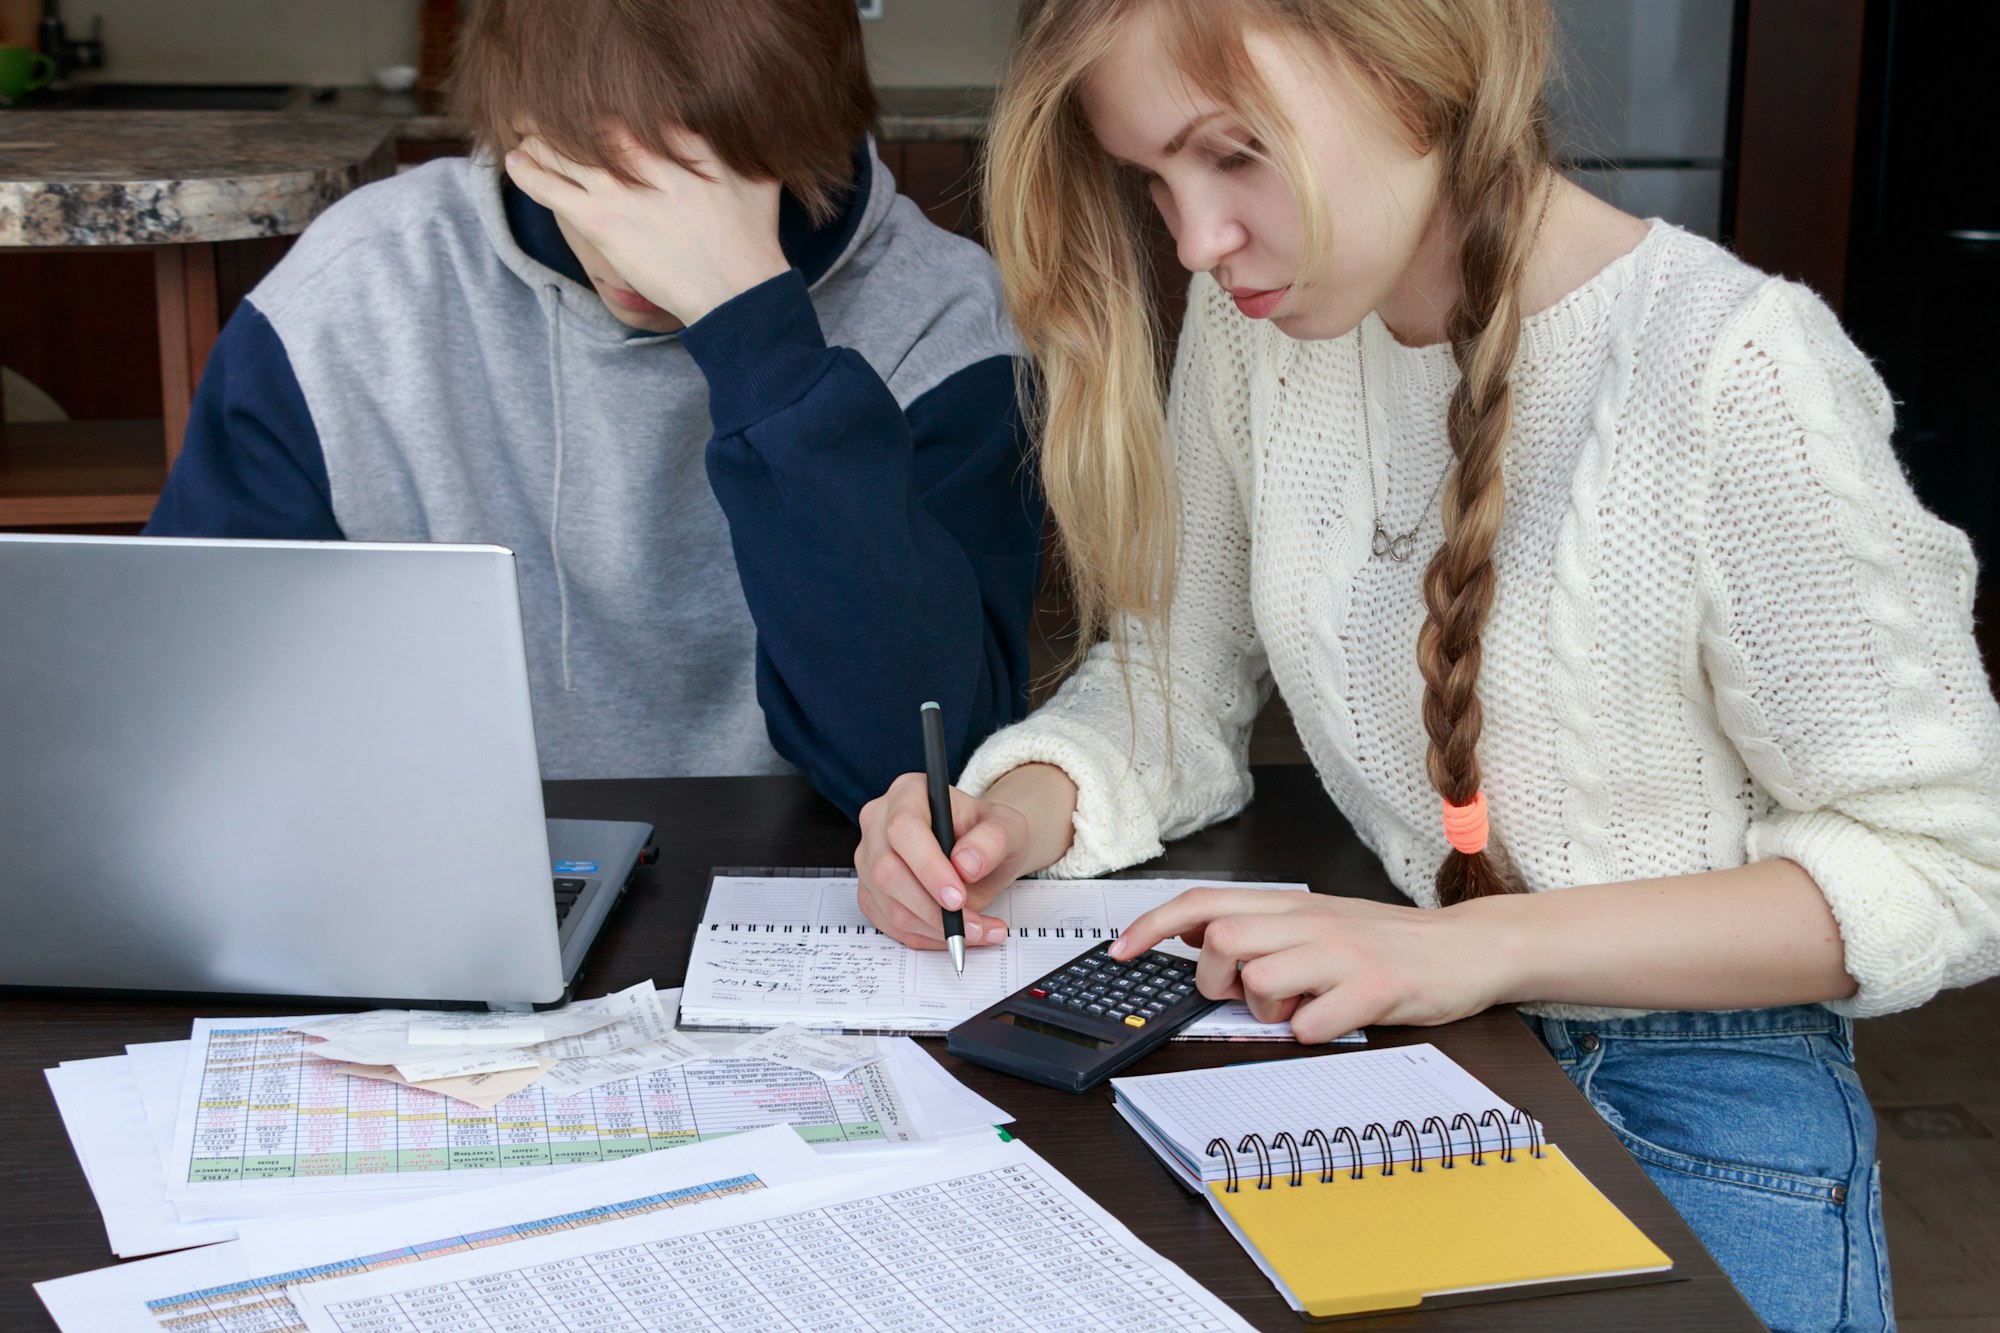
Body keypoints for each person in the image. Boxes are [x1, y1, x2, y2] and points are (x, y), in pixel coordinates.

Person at [853, 0, 2000, 1325]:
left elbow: (1952, 861)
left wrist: (1476, 950)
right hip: (1418, 1038)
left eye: (1232, 155)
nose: (1196, 241)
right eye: (1151, 178)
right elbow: (1179, 680)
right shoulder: (1254, 332)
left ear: (1418, 62)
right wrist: (1014, 812)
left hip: (1697, 1089)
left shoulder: (1734, 368)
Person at [144, 0, 1043, 817]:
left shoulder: (947, 324)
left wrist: (755, 335)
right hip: (438, 869)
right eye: (593, 178)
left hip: (813, 894)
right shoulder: (355, 296)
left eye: (701, 182)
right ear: (514, 133)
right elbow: (187, 712)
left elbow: (918, 777)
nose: (640, 244)